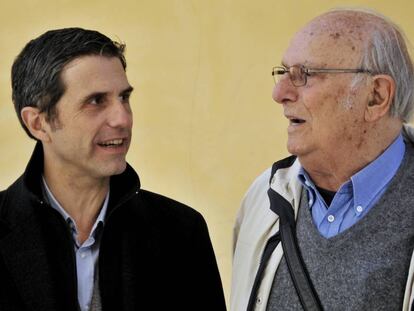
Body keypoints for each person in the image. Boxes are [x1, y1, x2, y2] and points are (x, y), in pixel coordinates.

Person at [0, 28, 226, 311]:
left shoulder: (180, 232)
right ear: (38, 123)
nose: (122, 119)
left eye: (124, 98)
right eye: (96, 101)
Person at [231, 9, 414, 311]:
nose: (280, 93)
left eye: (305, 75)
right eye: (283, 72)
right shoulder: (264, 198)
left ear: (376, 96)